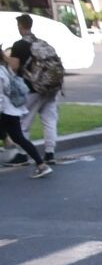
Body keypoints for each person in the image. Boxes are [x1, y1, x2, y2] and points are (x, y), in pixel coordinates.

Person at [12, 13, 63, 165]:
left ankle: (22, 155)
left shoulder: (19, 45)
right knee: (49, 120)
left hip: (32, 88)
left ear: (20, 27)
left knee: (23, 122)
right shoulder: (42, 43)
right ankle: (50, 153)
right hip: (51, 87)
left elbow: (14, 67)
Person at [1, 45, 52, 178]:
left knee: (18, 138)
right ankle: (41, 165)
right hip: (12, 110)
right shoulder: (6, 68)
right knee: (20, 138)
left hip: (4, 111)